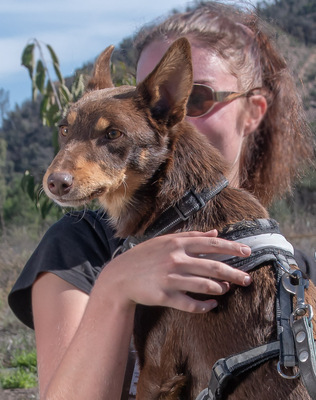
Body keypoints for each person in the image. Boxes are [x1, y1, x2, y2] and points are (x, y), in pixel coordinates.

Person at [8, 2, 315, 399]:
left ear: (253, 112)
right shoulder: (79, 249)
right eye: (144, 101)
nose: (174, 119)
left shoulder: (292, 269)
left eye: (195, 97)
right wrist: (114, 286)